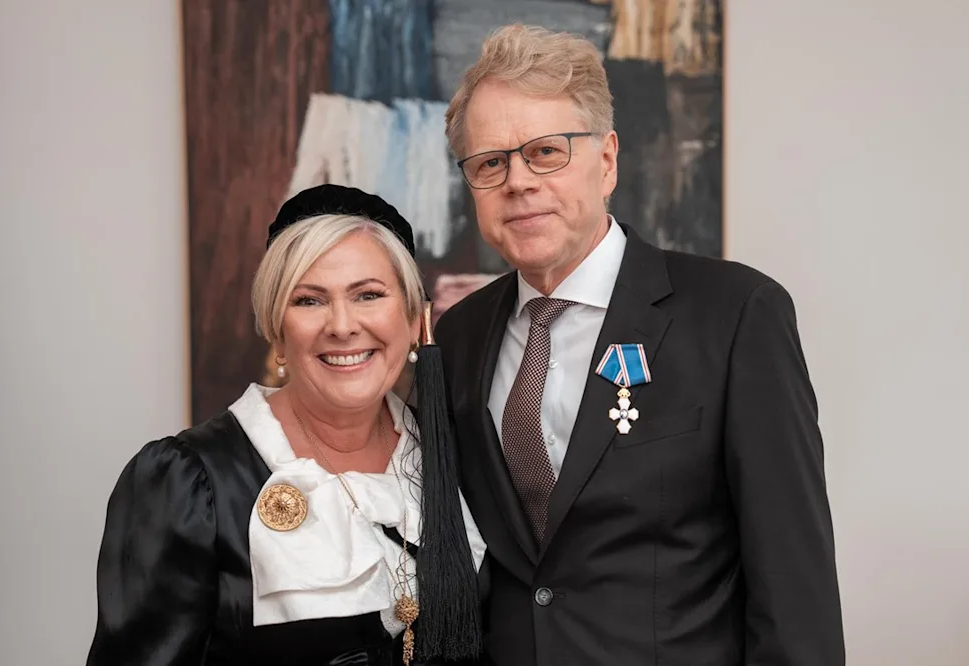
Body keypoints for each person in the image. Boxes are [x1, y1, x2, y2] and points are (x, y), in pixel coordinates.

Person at [434, 24, 846, 666]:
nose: (517, 181)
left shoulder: (736, 315)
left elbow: (795, 589)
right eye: (491, 162)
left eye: (546, 152)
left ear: (606, 161)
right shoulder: (458, 337)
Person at [87, 185, 486, 666]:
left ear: (414, 318)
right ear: (277, 331)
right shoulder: (190, 483)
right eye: (309, 301)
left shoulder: (458, 454)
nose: (342, 325)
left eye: (368, 295)